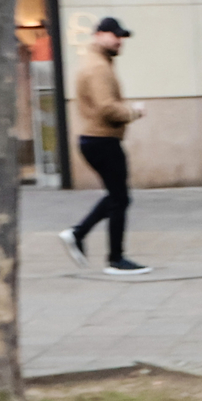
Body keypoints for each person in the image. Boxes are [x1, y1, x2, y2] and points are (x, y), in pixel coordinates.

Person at [62, 16, 150, 273]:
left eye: (122, 36)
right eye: (115, 36)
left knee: (117, 197)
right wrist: (133, 112)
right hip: (101, 139)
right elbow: (106, 108)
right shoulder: (98, 67)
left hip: (97, 139)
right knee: (120, 198)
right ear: (99, 34)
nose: (120, 41)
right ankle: (114, 258)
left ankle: (79, 235)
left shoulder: (98, 62)